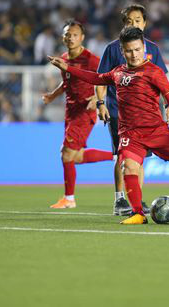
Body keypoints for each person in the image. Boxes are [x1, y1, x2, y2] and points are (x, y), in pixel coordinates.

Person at [48, 26, 169, 224]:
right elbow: (95, 78)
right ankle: (138, 213)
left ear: (143, 47)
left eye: (137, 49)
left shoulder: (154, 72)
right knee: (128, 167)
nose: (134, 54)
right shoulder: (117, 72)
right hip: (130, 133)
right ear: (122, 51)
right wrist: (66, 67)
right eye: (129, 50)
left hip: (157, 131)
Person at [96, 4, 169, 216]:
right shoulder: (113, 49)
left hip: (145, 115)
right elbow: (100, 80)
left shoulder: (153, 50)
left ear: (145, 23)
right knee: (122, 156)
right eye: (129, 21)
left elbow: (162, 81)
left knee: (140, 160)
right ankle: (120, 199)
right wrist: (100, 103)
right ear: (123, 25)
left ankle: (136, 199)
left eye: (137, 20)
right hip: (117, 112)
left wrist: (167, 105)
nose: (134, 24)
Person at [42, 20, 113, 208]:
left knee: (66, 154)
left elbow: (106, 79)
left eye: (74, 34)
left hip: (85, 111)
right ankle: (116, 155)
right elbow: (67, 83)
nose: (70, 37)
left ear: (82, 38)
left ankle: (69, 199)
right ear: (63, 37)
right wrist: (52, 95)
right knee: (77, 156)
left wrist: (98, 99)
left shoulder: (91, 59)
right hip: (70, 111)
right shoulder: (64, 58)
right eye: (67, 34)